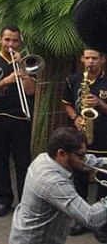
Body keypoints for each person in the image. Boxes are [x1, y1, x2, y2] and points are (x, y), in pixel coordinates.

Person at [9, 127, 107, 244]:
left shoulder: (45, 157)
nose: (84, 159)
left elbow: (85, 161)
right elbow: (91, 218)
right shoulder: (53, 182)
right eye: (81, 155)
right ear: (61, 153)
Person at [0, 26, 35, 217]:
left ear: (20, 42)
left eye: (15, 41)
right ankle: (3, 199)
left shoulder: (25, 62)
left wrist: (22, 68)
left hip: (21, 118)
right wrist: (6, 80)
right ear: (0, 40)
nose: (11, 44)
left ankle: (25, 202)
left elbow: (30, 91)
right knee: (0, 160)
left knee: (23, 162)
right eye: (7, 40)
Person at [62, 49, 107, 239]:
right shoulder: (73, 80)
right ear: (82, 59)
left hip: (104, 138)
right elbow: (67, 103)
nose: (90, 62)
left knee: (104, 182)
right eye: (87, 58)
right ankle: (81, 220)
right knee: (78, 181)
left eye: (94, 58)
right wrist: (75, 118)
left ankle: (102, 224)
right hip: (80, 140)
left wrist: (100, 104)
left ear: (103, 60)